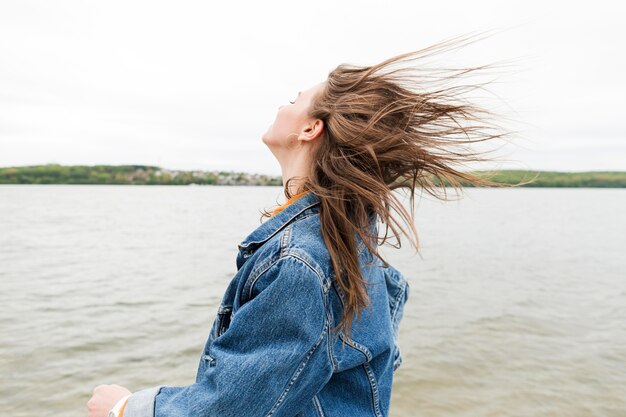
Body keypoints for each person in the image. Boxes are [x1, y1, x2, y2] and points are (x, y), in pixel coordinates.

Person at [87, 35, 512, 417]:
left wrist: (125, 408)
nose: (281, 105)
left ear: (311, 128)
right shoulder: (348, 240)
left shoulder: (300, 257)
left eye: (293, 99)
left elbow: (233, 408)